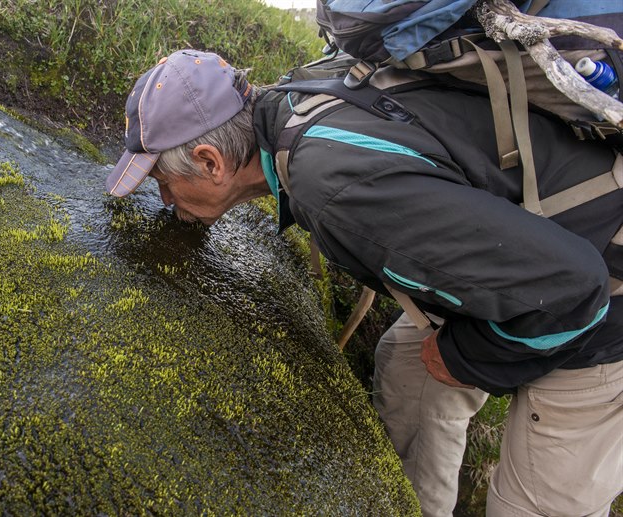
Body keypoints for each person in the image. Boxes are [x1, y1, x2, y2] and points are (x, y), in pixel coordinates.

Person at [105, 49, 623, 516]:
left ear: (210, 162)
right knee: (405, 364)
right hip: (529, 240)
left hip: (601, 301)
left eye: (163, 184)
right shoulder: (300, 98)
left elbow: (573, 292)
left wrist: (466, 356)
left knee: (530, 503)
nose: (167, 204)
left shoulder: (333, 185)